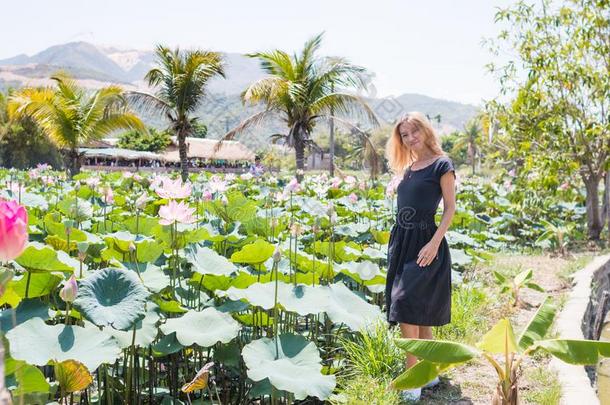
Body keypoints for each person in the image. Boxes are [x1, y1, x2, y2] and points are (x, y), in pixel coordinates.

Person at [384, 111, 456, 401]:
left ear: (425, 131)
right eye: (404, 135)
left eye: (414, 132)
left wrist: (434, 243)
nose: (410, 138)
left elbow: (450, 208)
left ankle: (411, 379)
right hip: (402, 240)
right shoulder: (409, 167)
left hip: (426, 243)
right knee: (419, 312)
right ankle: (429, 374)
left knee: (405, 305)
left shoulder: (442, 164)